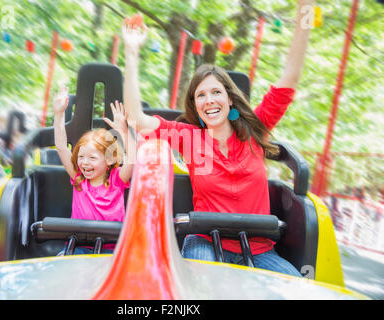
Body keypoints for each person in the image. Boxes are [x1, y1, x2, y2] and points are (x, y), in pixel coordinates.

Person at [121, 0, 314, 277]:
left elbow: (290, 77)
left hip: (258, 249)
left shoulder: (254, 131)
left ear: (229, 99)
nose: (209, 100)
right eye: (201, 95)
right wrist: (131, 51)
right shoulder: (188, 138)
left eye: (216, 93)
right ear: (195, 105)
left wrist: (304, 10)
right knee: (204, 284)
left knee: (297, 289)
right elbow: (137, 119)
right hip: (206, 242)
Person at [52, 86, 135, 255]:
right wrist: (59, 114)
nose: (84, 163)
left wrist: (124, 132)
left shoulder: (116, 180)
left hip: (110, 249)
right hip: (79, 247)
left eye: (92, 158)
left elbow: (134, 159)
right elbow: (61, 147)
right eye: (81, 157)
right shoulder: (79, 179)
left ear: (109, 159)